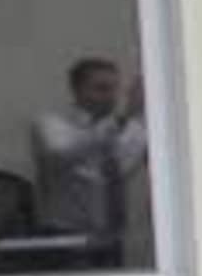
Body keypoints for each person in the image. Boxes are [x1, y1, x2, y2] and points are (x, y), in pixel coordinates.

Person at [32, 55, 148, 262]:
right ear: (76, 90)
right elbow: (63, 153)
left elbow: (122, 166)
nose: (110, 96)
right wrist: (123, 119)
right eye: (101, 88)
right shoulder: (51, 125)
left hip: (111, 239)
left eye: (114, 89)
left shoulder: (131, 130)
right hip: (64, 236)